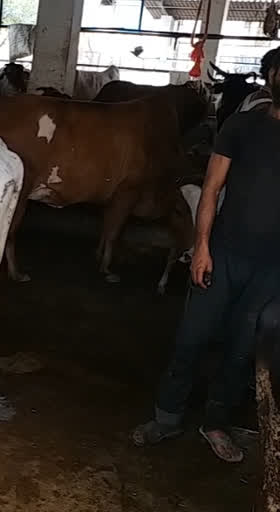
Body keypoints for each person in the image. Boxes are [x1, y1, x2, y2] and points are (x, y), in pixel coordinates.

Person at [132, 49, 280, 463]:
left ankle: (215, 423)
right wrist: (200, 246)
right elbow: (211, 189)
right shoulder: (242, 126)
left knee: (241, 349)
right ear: (271, 75)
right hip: (224, 252)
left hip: (272, 267)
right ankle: (167, 417)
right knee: (191, 339)